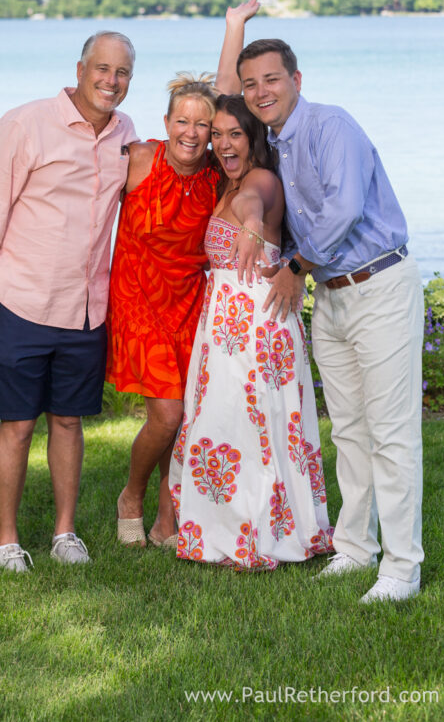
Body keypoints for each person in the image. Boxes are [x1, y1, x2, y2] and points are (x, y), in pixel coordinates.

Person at [216, 0, 424, 602]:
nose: (260, 92)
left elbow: (344, 209)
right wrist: (234, 28)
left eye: (272, 79)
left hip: (378, 285)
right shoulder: (272, 140)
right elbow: (221, 99)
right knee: (350, 431)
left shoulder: (331, 126)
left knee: (391, 433)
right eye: (252, 84)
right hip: (331, 296)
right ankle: (355, 548)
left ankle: (402, 569)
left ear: (296, 80)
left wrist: (295, 266)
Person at [0, 31, 138, 572]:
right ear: (80, 69)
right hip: (23, 299)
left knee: (68, 422)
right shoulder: (26, 124)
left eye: (122, 72)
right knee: (17, 424)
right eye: (102, 69)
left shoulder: (126, 134)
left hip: (86, 308)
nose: (111, 81)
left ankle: (65, 532)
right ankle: (5, 541)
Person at [169, 95, 334, 568]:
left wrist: (253, 220)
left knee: (245, 428)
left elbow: (253, 201)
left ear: (254, 137)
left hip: (253, 326)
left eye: (235, 134)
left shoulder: (259, 180)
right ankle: (232, 527)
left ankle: (251, 535)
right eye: (217, 134)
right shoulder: (229, 181)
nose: (223, 143)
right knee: (229, 424)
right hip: (228, 324)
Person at [107, 74, 219, 548]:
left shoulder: (217, 174)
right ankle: (131, 496)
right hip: (138, 300)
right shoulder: (137, 159)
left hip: (189, 301)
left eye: (202, 124)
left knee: (187, 414)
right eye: (182, 121)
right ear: (166, 122)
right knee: (168, 415)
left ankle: (166, 516)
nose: (190, 133)